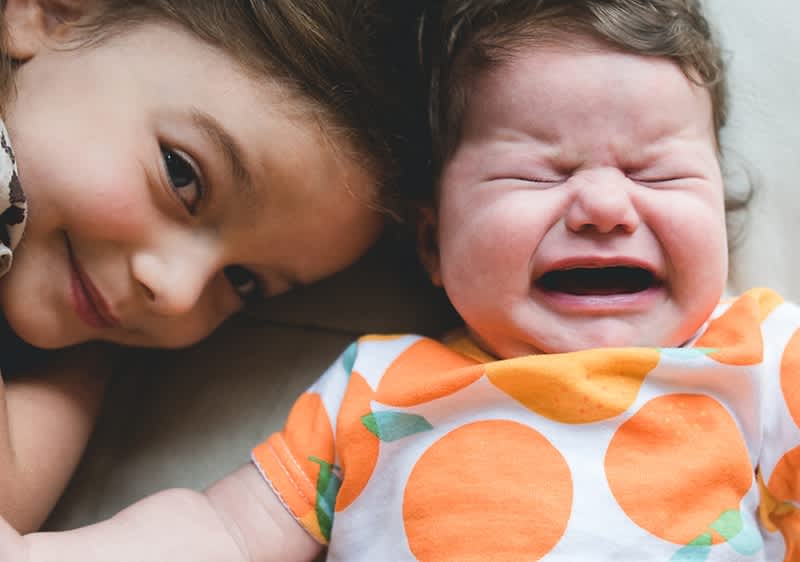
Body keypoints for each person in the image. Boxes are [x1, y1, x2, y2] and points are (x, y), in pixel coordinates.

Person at [2, 0, 798, 560]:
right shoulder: (375, 388)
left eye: (657, 175)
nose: (601, 204)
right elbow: (231, 533)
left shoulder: (759, 358)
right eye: (536, 175)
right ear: (433, 242)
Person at [0, 0, 426, 535]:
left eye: (242, 280)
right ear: (55, 13)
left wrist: (79, 373)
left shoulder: (72, 369)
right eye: (183, 176)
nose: (177, 293)